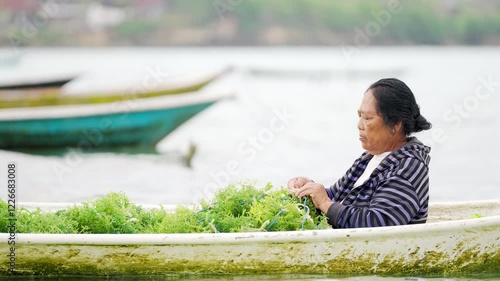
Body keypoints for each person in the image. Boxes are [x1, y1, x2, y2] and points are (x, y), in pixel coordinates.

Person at [288, 78, 432, 228]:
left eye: (368, 118)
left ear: (395, 124)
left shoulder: (408, 168)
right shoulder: (368, 159)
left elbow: (377, 223)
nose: (359, 125)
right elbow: (336, 198)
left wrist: (324, 202)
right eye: (360, 116)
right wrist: (309, 189)